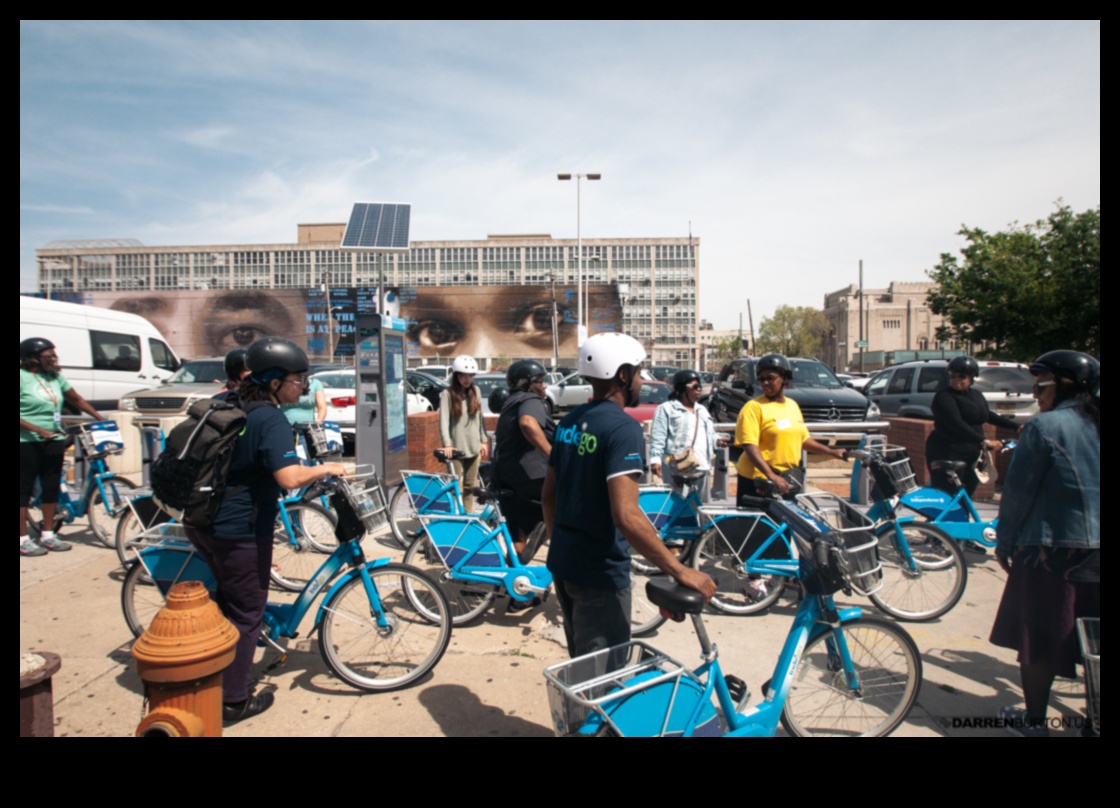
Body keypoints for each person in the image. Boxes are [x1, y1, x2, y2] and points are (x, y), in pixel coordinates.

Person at [183, 337, 347, 724]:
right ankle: (233, 701)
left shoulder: (231, 401)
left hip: (202, 521)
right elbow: (288, 477)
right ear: (274, 382)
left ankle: (217, 675)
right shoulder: (271, 419)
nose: (303, 388)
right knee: (246, 614)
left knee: (227, 603)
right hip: (238, 529)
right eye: (298, 380)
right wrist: (327, 468)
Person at [543, 333, 716, 659]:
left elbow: (548, 496)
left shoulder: (569, 422)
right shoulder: (623, 429)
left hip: (564, 565)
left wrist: (562, 545)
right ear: (623, 375)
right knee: (603, 676)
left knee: (581, 667)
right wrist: (679, 570)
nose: (640, 381)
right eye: (638, 372)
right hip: (599, 575)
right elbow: (626, 514)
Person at [990, 351, 1100, 737]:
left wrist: (1005, 542)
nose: (1035, 395)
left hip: (1053, 553)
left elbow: (1018, 494)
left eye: (1040, 386)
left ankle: (1035, 723)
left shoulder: (1045, 427)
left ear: (1064, 385)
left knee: (1039, 639)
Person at [20, 338, 105, 557]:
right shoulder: (22, 377)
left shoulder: (55, 377)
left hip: (54, 438)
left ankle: (48, 535)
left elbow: (76, 399)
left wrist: (100, 418)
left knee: (51, 486)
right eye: (48, 356)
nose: (53, 359)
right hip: (26, 441)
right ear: (32, 358)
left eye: (54, 355)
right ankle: (22, 540)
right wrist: (37, 430)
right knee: (23, 490)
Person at [734, 354, 848, 505]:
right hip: (758, 479)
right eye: (761, 379)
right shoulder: (753, 407)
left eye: (770, 378)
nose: (765, 383)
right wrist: (771, 475)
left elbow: (803, 439)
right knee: (760, 520)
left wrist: (831, 452)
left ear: (785, 378)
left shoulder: (792, 405)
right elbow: (749, 445)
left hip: (786, 478)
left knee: (786, 518)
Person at [494, 359, 555, 561]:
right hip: (529, 477)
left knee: (518, 535)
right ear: (526, 383)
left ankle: (515, 575)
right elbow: (527, 423)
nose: (544, 385)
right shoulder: (531, 400)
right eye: (539, 381)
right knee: (564, 502)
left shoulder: (513, 401)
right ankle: (546, 530)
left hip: (506, 476)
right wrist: (554, 456)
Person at [650, 370, 726, 503]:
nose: (699, 390)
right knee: (673, 504)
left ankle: (695, 518)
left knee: (698, 505)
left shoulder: (702, 409)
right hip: (676, 465)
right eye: (695, 387)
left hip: (701, 465)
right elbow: (658, 436)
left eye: (700, 386)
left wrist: (718, 441)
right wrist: (655, 459)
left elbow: (710, 434)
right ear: (681, 389)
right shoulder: (666, 409)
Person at [438, 355, 489, 513]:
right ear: (456, 375)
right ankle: (453, 516)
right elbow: (443, 421)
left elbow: (480, 418)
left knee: (470, 486)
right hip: (456, 449)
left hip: (474, 447)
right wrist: (447, 444)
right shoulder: (447, 394)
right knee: (455, 486)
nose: (467, 379)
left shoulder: (476, 391)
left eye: (471, 375)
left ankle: (467, 515)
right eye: (464, 375)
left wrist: (483, 440)